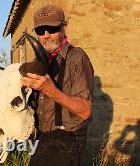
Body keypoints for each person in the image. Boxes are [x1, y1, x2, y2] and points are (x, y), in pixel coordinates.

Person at [20, 4, 94, 166]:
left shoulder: (77, 57)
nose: (46, 35)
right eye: (40, 31)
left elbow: (86, 110)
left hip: (68, 141)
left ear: (63, 28)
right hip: (42, 138)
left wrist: (50, 90)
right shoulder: (38, 62)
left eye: (51, 29)